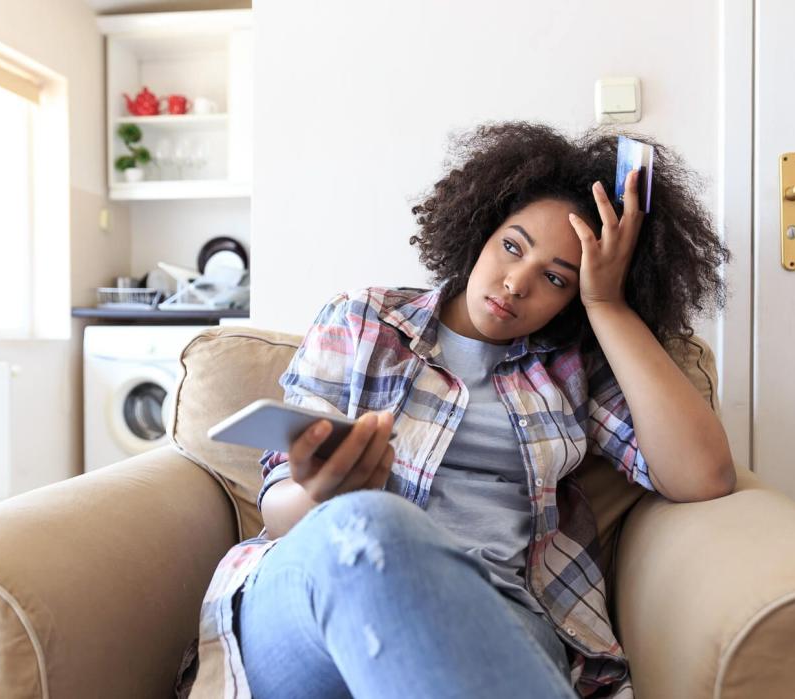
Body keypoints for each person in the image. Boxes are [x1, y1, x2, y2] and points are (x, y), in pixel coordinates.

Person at [203, 120, 735, 699]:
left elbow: (703, 476)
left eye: (556, 278)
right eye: (512, 246)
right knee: (373, 522)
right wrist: (322, 495)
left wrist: (607, 302)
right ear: (482, 228)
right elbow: (280, 514)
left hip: (494, 609)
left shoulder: (573, 370)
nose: (514, 284)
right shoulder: (362, 320)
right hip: (310, 594)